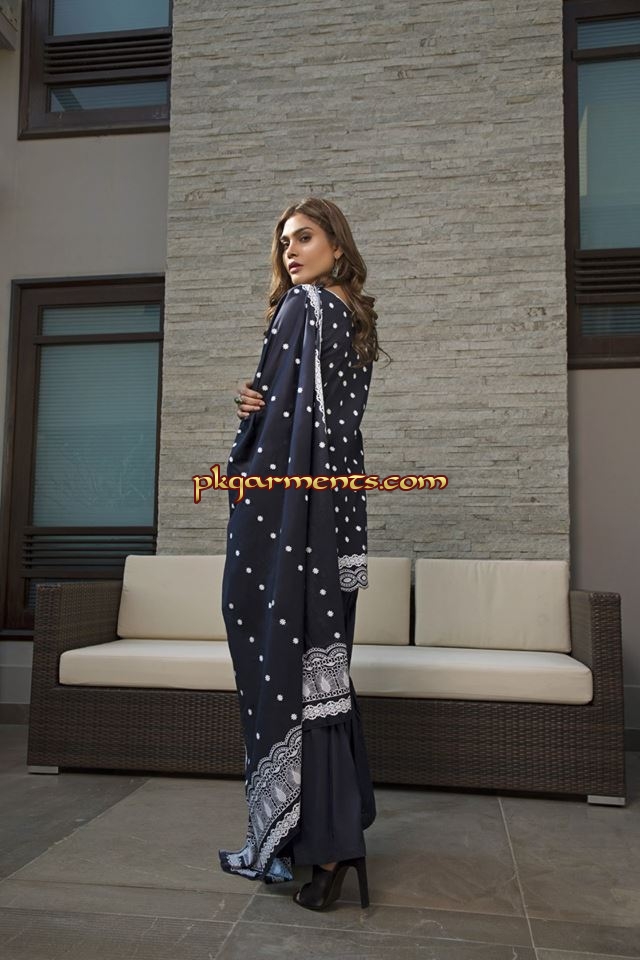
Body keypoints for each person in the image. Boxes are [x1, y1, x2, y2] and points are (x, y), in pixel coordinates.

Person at [218, 197, 390, 911]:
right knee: (325, 680)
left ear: (336, 244)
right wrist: (259, 401)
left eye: (305, 237)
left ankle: (324, 846)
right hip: (339, 518)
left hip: (298, 520)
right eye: (284, 241)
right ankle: (331, 837)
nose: (290, 251)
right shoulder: (354, 318)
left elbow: (282, 424)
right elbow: (313, 416)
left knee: (290, 674)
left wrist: (249, 426)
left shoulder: (304, 307)